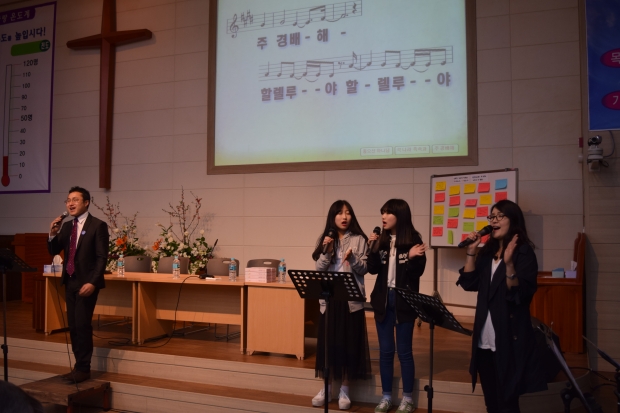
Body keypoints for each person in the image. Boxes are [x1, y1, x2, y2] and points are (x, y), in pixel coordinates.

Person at [456, 200, 547, 413]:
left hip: (508, 338)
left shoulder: (523, 253)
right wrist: (471, 251)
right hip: (484, 338)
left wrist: (509, 264)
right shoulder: (487, 253)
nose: (493, 221)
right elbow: (469, 283)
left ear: (512, 220)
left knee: (507, 402)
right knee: (491, 401)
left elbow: (519, 294)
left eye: (499, 216)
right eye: (491, 216)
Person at [368, 199, 427, 413]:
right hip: (383, 300)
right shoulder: (382, 240)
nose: (383, 217)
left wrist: (409, 258)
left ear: (400, 215)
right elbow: (372, 269)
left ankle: (407, 398)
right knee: (385, 352)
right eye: (382, 212)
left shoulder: (413, 240)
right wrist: (372, 248)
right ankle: (386, 397)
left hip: (404, 301)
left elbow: (417, 272)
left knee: (404, 352)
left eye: (388, 213)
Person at [311, 200, 371, 410]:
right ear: (332, 216)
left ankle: (345, 389)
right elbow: (319, 268)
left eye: (348, 213)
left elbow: (364, 269)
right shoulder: (325, 238)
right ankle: (326, 388)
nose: (344, 217)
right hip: (329, 299)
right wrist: (327, 250)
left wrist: (352, 258)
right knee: (328, 344)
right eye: (339, 213)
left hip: (350, 300)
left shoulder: (359, 239)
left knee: (349, 343)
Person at [48, 186, 109, 383]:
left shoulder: (98, 225)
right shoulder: (67, 227)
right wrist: (52, 233)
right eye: (68, 200)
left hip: (86, 284)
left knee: (82, 325)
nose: (70, 203)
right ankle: (78, 367)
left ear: (86, 202)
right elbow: (53, 250)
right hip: (70, 281)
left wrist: (93, 282)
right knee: (73, 326)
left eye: (75, 200)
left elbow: (101, 257)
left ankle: (84, 369)